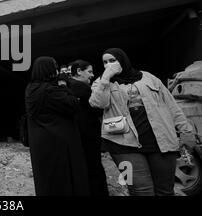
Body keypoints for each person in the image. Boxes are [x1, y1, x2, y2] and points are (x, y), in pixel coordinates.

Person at [89, 48, 197, 196]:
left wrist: (186, 131)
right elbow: (97, 104)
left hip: (161, 142)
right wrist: (106, 78)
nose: (109, 64)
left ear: (123, 60)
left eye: (112, 60)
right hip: (122, 146)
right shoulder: (100, 82)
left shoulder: (148, 77)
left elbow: (172, 105)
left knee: (165, 190)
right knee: (140, 191)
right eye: (105, 62)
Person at [25, 56, 90, 196]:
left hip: (40, 142)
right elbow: (73, 105)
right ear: (49, 69)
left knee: (47, 178)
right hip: (58, 142)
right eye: (54, 67)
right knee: (63, 178)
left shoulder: (30, 89)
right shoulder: (50, 90)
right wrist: (63, 85)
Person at [68, 60, 109, 196]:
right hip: (88, 134)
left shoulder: (64, 87)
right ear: (79, 71)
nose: (92, 75)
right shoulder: (82, 88)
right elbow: (97, 109)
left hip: (74, 134)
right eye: (89, 72)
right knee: (94, 167)